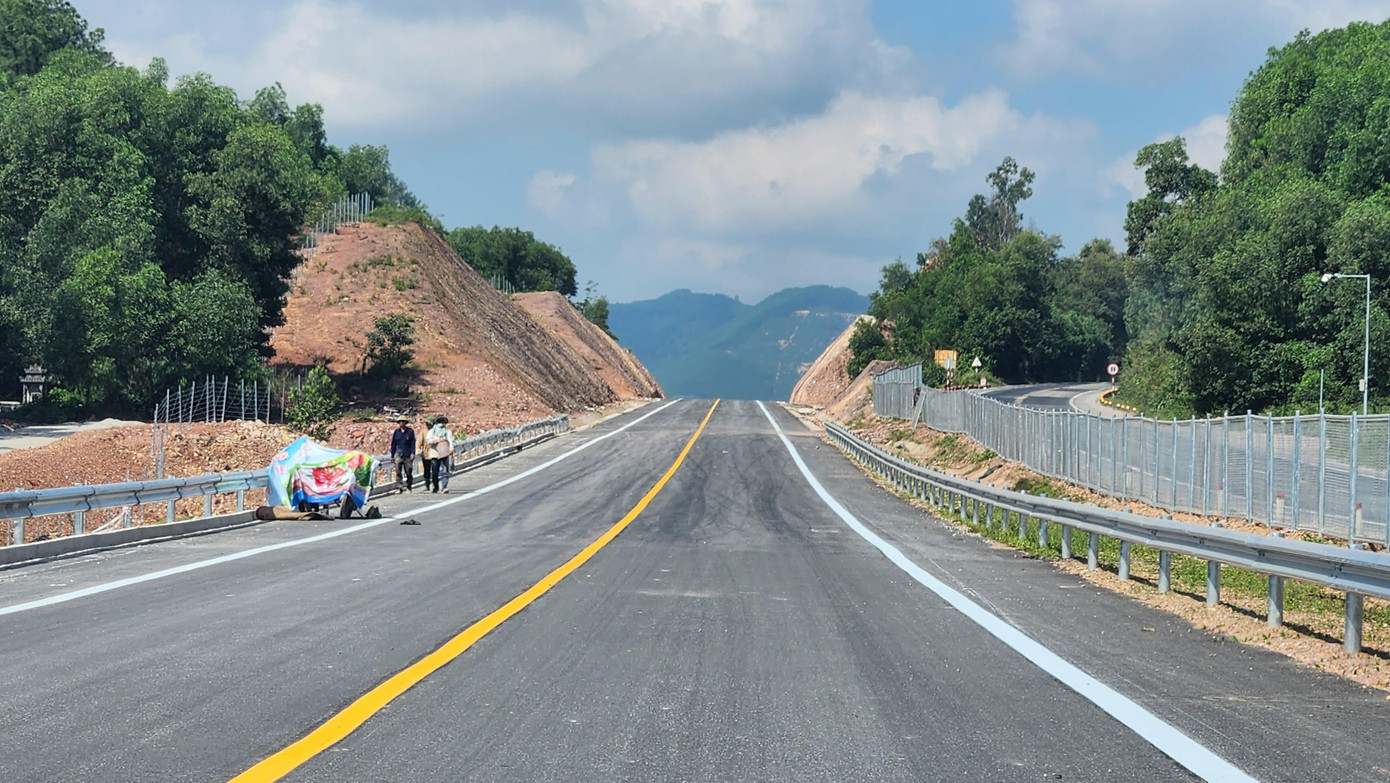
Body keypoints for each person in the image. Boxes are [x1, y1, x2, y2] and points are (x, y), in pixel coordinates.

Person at [423, 416, 454, 493]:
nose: (441, 424)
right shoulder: (432, 431)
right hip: (435, 452)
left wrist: (451, 449)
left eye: (443, 422)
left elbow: (450, 440)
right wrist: (433, 441)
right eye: (440, 422)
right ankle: (435, 486)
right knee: (435, 471)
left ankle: (444, 486)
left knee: (445, 470)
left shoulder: (447, 431)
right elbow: (428, 439)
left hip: (445, 452)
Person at [389, 417, 417, 492]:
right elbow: (393, 444)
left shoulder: (410, 431)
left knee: (408, 471)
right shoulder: (396, 432)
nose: (401, 423)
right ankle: (399, 487)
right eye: (400, 421)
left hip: (407, 454)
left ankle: (409, 486)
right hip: (399, 454)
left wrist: (413, 453)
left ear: (405, 422)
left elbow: (413, 443)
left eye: (403, 421)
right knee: (398, 471)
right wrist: (392, 455)